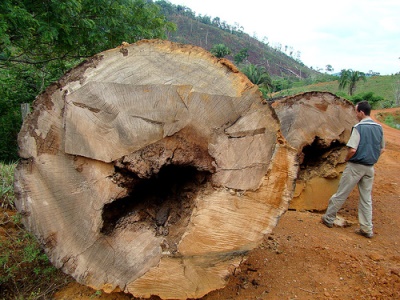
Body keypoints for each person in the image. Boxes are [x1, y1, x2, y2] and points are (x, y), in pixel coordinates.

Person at [321, 100, 385, 238]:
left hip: (356, 166)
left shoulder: (359, 128)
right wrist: (372, 158)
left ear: (361, 112)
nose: (356, 114)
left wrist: (347, 159)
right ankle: (367, 228)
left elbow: (353, 149)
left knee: (341, 193)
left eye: (356, 111)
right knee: (366, 199)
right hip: (369, 168)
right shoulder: (379, 128)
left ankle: (328, 218)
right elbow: (382, 149)